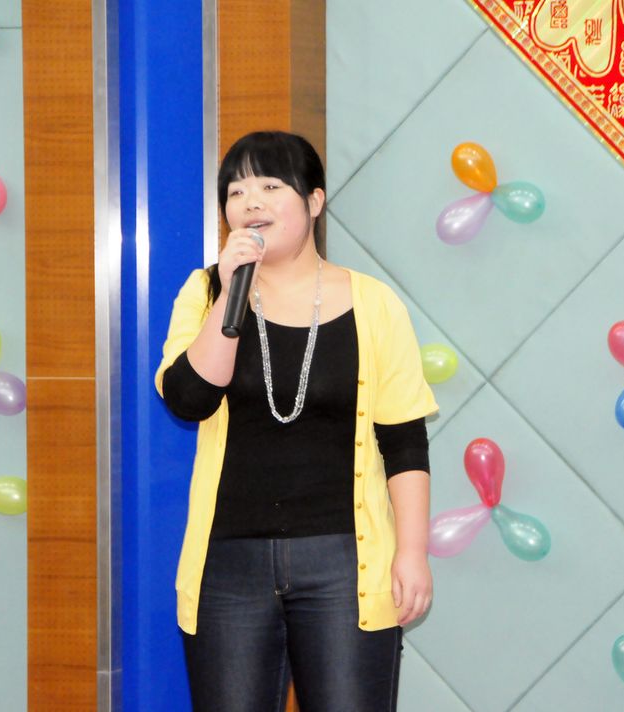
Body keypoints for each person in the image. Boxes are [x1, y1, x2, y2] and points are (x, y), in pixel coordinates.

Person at [155, 131, 438, 712]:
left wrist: (412, 552)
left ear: (314, 201)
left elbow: (405, 441)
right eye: (236, 192)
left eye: (269, 186)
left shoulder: (374, 303)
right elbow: (189, 399)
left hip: (344, 563)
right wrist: (230, 291)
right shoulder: (205, 291)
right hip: (228, 565)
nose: (250, 203)